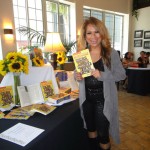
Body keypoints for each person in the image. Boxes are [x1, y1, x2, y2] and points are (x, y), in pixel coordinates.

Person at [74, 17, 126, 150]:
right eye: (89, 33)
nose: (93, 37)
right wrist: (77, 75)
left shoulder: (110, 53)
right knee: (91, 130)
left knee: (103, 135)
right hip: (86, 100)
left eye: (96, 32)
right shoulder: (82, 54)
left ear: (102, 33)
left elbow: (121, 75)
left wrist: (102, 75)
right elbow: (80, 77)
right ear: (84, 36)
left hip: (103, 101)